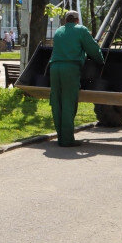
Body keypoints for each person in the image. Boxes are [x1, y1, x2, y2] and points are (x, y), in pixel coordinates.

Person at [49, 10, 104, 147]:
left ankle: (60, 137)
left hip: (54, 69)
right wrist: (101, 60)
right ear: (77, 20)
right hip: (70, 69)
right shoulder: (81, 30)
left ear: (65, 20)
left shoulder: (59, 31)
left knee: (57, 102)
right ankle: (67, 140)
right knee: (68, 102)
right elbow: (92, 48)